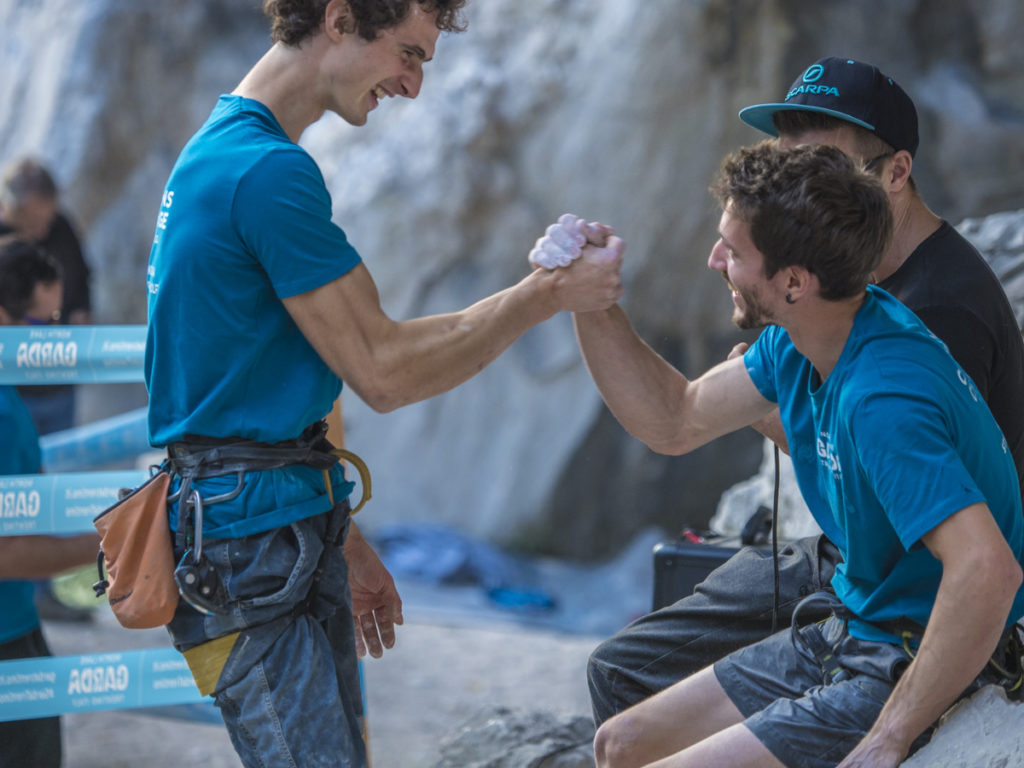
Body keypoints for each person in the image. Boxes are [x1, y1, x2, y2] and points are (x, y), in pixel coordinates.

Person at [143, 1, 623, 766]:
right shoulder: (264, 173)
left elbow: (246, 399)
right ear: (338, 18)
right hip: (248, 543)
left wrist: (343, 533)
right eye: (409, 53)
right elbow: (383, 370)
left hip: (257, 527)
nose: (413, 84)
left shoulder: (223, 153)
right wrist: (543, 296)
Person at [585, 56, 1024, 728]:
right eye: (788, 160)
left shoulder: (936, 313)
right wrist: (591, 301)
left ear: (897, 173)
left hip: (902, 590)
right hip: (859, 557)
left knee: (649, 688)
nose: (797, 183)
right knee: (621, 668)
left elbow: (921, 514)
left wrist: (781, 403)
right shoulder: (817, 298)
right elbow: (675, 421)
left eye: (821, 164)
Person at [0, 238, 101, 768]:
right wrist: (108, 544)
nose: (52, 339)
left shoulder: (9, 395)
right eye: (41, 323)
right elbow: (5, 552)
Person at [0, 156, 94, 434]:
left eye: (46, 219)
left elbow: (83, 275)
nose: (41, 231)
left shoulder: (60, 229)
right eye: (30, 221)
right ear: (7, 208)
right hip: (11, 383)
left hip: (59, 376)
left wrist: (81, 310)